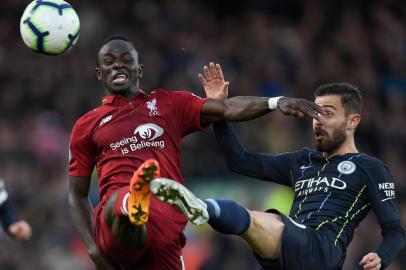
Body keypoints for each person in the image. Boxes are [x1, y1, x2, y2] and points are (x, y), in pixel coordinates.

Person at [68, 36, 324, 270]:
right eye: (109, 62)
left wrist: (275, 102)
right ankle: (135, 199)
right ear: (99, 74)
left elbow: (225, 109)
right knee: (120, 201)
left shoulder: (168, 104)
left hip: (166, 228)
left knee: (139, 217)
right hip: (115, 225)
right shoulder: (86, 125)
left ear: (140, 70)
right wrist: (93, 251)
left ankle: (138, 203)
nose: (118, 66)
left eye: (126, 60)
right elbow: (77, 194)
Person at [151, 83, 406, 270]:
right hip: (286, 256)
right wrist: (220, 115)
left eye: (327, 113)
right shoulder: (302, 160)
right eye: (314, 113)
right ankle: (203, 208)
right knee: (262, 225)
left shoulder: (370, 167)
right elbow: (239, 161)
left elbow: (395, 230)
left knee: (260, 219)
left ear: (353, 121)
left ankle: (202, 207)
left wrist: (382, 256)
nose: (317, 121)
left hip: (322, 252)